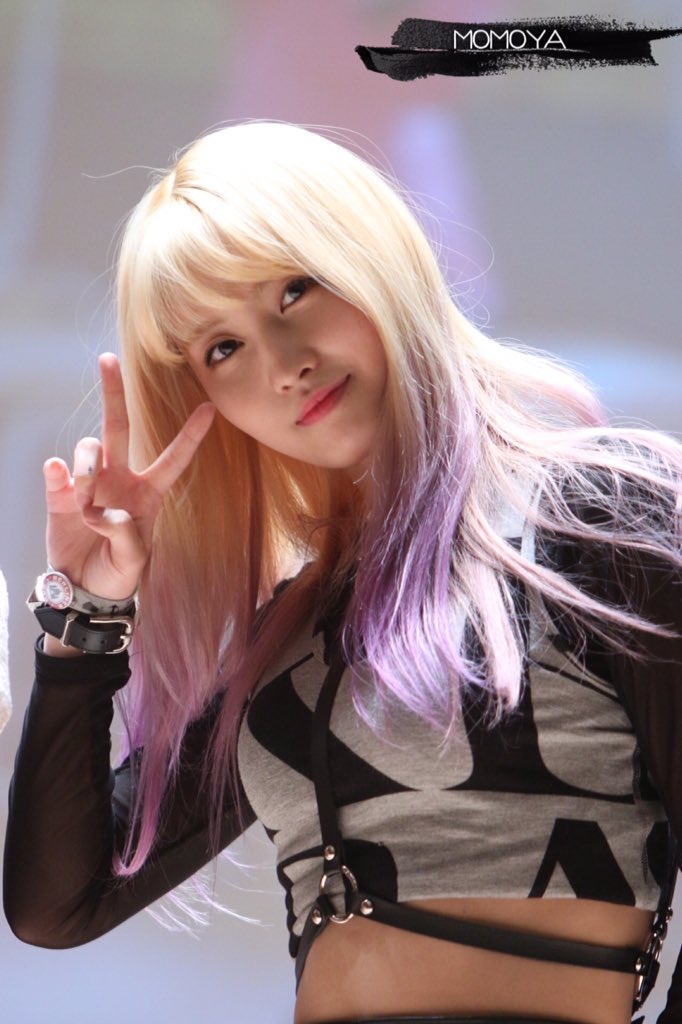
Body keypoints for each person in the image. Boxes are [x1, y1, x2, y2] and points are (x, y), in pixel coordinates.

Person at [3, 121, 682, 1024]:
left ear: (368, 255)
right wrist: (90, 614)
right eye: (222, 349)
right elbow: (57, 904)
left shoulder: (606, 513)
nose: (285, 365)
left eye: (294, 289)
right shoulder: (288, 638)